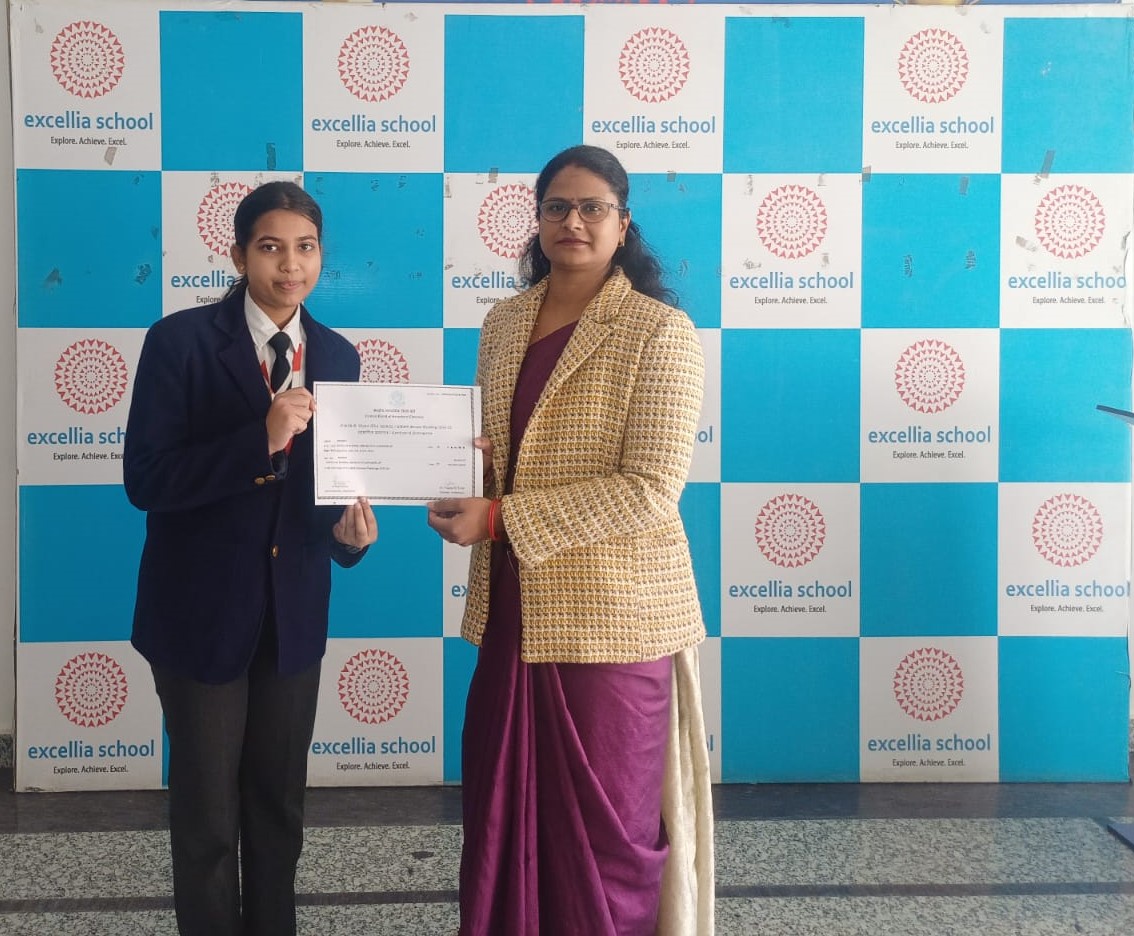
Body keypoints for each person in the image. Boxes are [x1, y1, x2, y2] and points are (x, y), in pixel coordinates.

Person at [428, 145, 715, 935]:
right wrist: (464, 478)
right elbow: (504, 457)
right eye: (557, 207)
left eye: (593, 208)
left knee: (609, 830)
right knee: (502, 813)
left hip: (615, 620)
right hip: (514, 609)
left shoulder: (661, 332)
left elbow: (649, 489)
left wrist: (499, 519)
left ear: (624, 224)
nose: (573, 222)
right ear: (538, 220)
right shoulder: (504, 322)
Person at [123, 180, 378, 936]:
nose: (289, 265)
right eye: (270, 247)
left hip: (292, 619)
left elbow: (326, 492)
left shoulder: (339, 355)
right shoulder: (179, 342)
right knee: (207, 818)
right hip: (199, 616)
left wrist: (347, 538)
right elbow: (147, 481)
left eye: (305, 248)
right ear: (238, 256)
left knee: (278, 809)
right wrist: (259, 439)